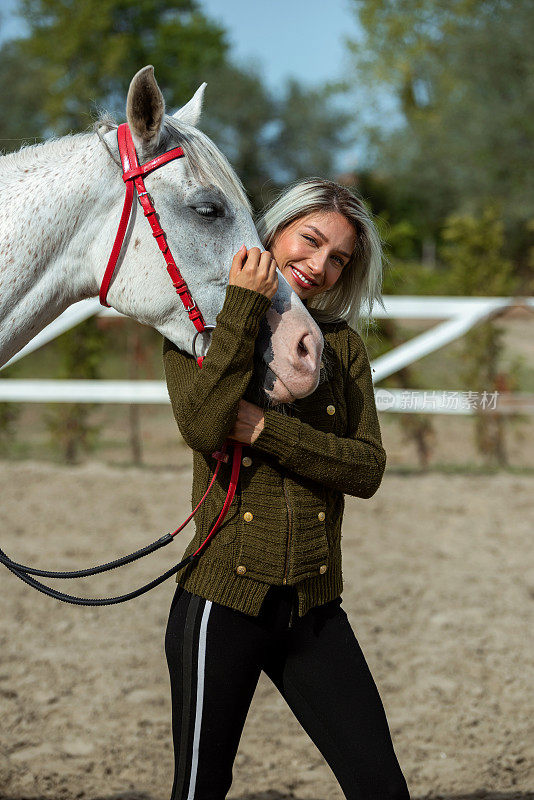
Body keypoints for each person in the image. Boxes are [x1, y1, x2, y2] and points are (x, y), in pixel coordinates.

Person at [162, 178, 410, 800]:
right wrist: (244, 307)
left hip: (313, 607)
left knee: (381, 786)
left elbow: (367, 470)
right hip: (222, 604)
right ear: (272, 230)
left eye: (339, 259)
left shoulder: (343, 347)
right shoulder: (197, 325)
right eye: (310, 240)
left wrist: (268, 431)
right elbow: (203, 426)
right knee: (199, 791)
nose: (319, 265)